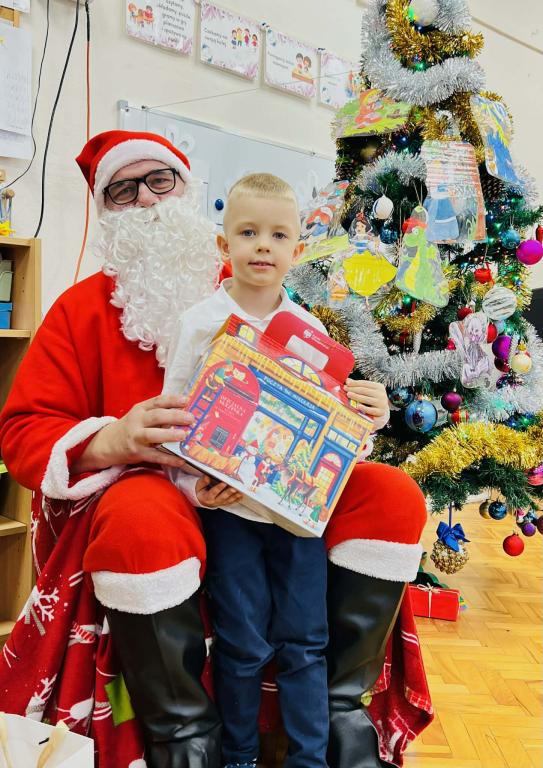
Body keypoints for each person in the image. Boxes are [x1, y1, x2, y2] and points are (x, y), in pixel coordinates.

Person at [0, 131, 431, 768]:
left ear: (189, 190)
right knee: (141, 521)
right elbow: (23, 430)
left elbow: (319, 400)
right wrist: (111, 438)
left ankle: (340, 713)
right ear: (104, 209)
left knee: (393, 495)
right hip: (156, 486)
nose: (147, 200)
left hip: (275, 493)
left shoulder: (265, 288)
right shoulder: (77, 310)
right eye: (123, 189)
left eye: (160, 181)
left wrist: (364, 410)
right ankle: (187, 741)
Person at [162, 173, 391, 768]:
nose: (262, 245)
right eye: (247, 232)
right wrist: (194, 489)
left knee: (306, 642)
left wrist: (373, 415)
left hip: (297, 518)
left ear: (297, 249)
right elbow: (174, 419)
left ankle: (309, 759)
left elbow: (339, 433)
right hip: (230, 512)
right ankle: (238, 756)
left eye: (278, 235)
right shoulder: (199, 323)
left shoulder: (312, 333)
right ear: (224, 245)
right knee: (240, 641)